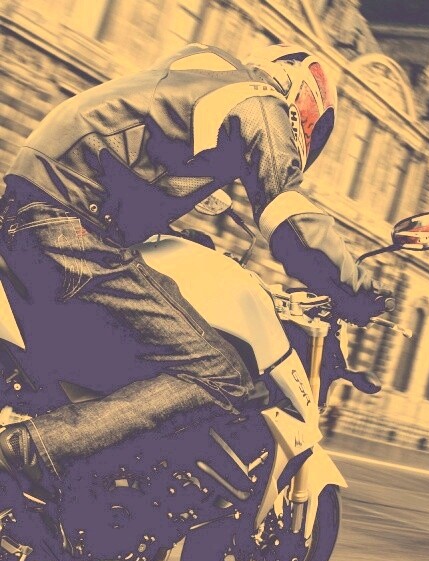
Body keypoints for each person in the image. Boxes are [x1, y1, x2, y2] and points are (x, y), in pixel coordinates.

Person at [0, 42, 387, 506]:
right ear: (294, 87)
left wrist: (183, 234)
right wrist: (354, 288)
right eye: (307, 121)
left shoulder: (195, 83)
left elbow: (134, 167)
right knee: (219, 375)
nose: (304, 132)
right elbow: (290, 220)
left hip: (32, 212)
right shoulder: (259, 102)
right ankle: (26, 453)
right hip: (73, 224)